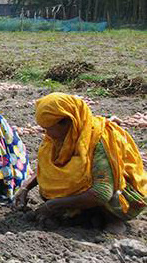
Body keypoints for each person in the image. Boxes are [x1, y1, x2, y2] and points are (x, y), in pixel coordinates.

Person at [14, 93, 147, 234]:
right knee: (53, 182)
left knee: (105, 193)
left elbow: (102, 192)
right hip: (91, 190)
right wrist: (25, 187)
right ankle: (87, 214)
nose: (47, 133)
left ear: (68, 121)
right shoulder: (59, 137)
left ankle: (111, 218)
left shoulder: (99, 140)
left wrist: (52, 206)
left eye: (49, 127)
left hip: (119, 194)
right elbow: (45, 167)